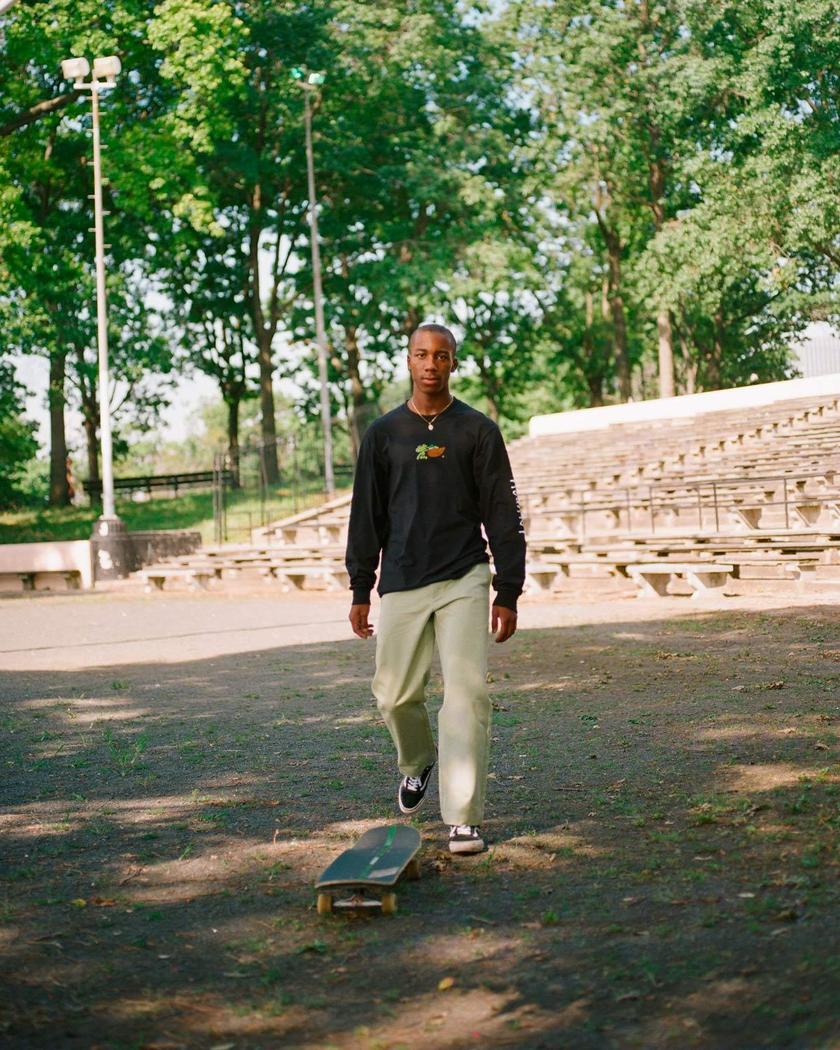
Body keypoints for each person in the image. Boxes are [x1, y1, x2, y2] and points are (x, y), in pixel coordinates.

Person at [346, 323, 526, 854]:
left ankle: (463, 818)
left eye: (441, 356)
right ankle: (417, 760)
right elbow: (366, 514)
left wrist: (508, 590)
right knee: (393, 694)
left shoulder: (478, 430)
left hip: (464, 577)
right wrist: (360, 587)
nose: (431, 364)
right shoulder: (383, 434)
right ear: (408, 361)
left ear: (453, 363)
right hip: (402, 580)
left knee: (466, 694)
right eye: (422, 355)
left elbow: (503, 512)